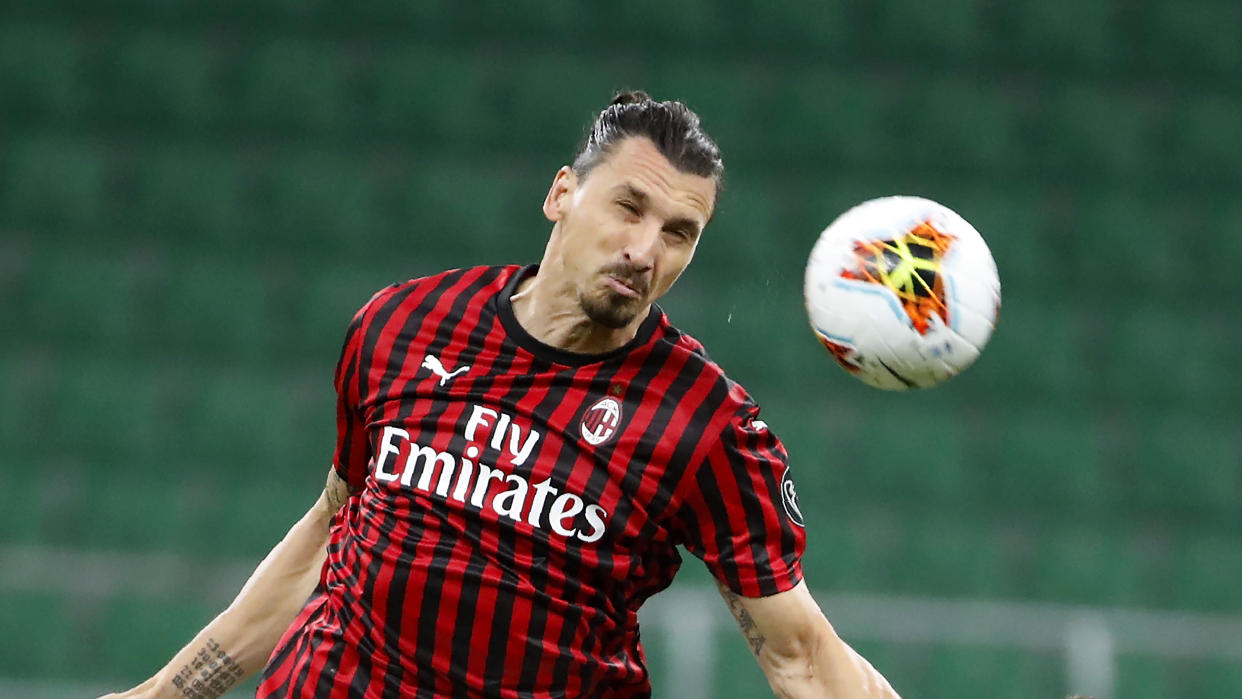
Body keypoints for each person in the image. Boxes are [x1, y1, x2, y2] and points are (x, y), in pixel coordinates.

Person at [104, 91, 900, 699]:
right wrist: (165, 693)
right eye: (629, 205)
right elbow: (330, 530)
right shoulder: (401, 324)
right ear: (562, 193)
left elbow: (800, 653)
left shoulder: (705, 424)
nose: (643, 248)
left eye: (678, 231)